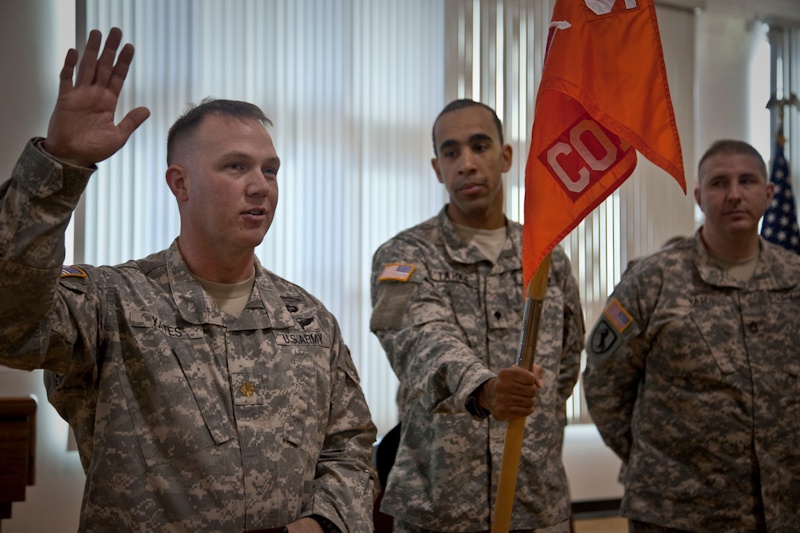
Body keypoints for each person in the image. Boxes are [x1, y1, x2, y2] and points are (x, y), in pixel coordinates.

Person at [0, 28, 377, 533]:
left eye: (271, 170)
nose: (259, 186)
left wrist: (322, 526)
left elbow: (349, 445)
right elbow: (12, 326)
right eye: (236, 166)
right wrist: (59, 166)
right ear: (180, 183)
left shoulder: (307, 318)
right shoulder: (110, 302)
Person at [369, 99, 586, 532]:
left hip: (535, 504)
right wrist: (483, 389)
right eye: (451, 152)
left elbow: (566, 363)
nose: (466, 163)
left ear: (505, 157)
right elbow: (417, 340)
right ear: (437, 168)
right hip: (441, 509)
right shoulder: (404, 256)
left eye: (480, 146)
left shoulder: (546, 260)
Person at [583, 139, 800, 532]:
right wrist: (660, 461)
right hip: (676, 513)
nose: (734, 194)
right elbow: (604, 384)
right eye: (719, 183)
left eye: (747, 181)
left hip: (783, 508)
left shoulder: (794, 277)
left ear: (768, 195)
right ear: (699, 196)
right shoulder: (652, 279)